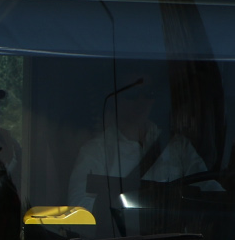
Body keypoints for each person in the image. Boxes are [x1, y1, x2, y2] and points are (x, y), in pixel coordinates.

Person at [67, 73, 212, 217]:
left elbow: (212, 193)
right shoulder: (95, 152)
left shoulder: (178, 147)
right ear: (115, 99)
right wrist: (119, 212)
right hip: (118, 239)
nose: (141, 101)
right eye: (133, 94)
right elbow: (79, 210)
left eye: (148, 94)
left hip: (175, 238)